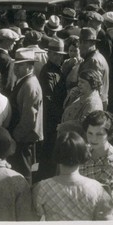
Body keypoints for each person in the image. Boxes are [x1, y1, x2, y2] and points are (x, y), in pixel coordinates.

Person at [32, 131, 113, 221]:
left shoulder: (42, 187)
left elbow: (33, 220)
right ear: (83, 155)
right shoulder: (97, 188)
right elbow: (107, 222)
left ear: (56, 154)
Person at [8, 48, 43, 185]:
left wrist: (15, 137)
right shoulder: (24, 81)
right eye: (16, 64)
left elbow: (29, 118)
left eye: (20, 65)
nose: (16, 68)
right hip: (22, 136)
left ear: (30, 66)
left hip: (23, 137)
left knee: (23, 173)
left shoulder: (29, 85)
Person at [37, 39, 68, 181]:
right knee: (49, 150)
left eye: (61, 55)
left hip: (54, 117)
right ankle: (45, 179)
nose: (59, 58)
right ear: (48, 54)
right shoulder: (48, 72)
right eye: (56, 55)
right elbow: (49, 99)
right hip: (52, 119)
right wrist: (61, 116)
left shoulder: (56, 69)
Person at [81, 111, 113, 195]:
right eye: (90, 133)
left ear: (108, 135)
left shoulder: (111, 166)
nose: (93, 139)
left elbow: (102, 200)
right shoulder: (86, 148)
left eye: (99, 134)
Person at [57, 69, 103, 137]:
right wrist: (71, 97)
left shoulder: (93, 102)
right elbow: (66, 108)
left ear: (92, 83)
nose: (79, 84)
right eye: (79, 81)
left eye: (82, 82)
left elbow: (85, 125)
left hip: (77, 141)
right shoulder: (82, 94)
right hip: (69, 136)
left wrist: (63, 126)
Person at [78, 27, 110, 109]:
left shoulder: (93, 61)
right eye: (80, 42)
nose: (79, 46)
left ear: (91, 44)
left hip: (93, 105)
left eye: (83, 43)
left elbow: (95, 87)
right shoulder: (96, 57)